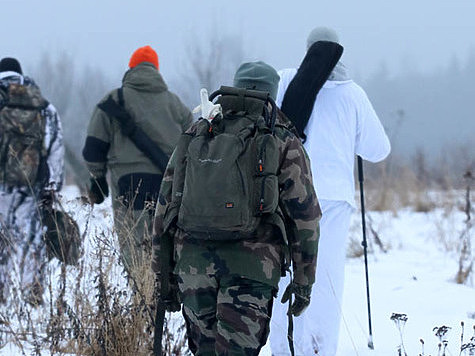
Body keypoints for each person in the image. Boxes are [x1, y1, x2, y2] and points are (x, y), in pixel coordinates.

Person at [152, 61, 321, 355]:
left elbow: (165, 207)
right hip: (253, 269)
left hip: (193, 266)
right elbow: (305, 217)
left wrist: (163, 277)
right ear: (273, 92)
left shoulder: (199, 132)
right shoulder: (281, 137)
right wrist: (304, 282)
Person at [269, 27, 391, 355]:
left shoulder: (285, 80)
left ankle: (284, 348)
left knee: (284, 275)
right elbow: (378, 149)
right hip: (334, 201)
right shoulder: (353, 94)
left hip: (286, 195)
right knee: (325, 281)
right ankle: (321, 350)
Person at [82, 45, 193, 277]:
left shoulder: (114, 100)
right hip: (168, 186)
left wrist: (97, 178)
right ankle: (161, 298)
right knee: (164, 246)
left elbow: (93, 147)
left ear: (131, 69)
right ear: (156, 70)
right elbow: (192, 146)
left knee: (134, 249)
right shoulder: (175, 104)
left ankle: (142, 300)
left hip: (129, 185)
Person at [0, 57, 64, 306]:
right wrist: (52, 186)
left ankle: (2, 298)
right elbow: (55, 145)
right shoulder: (42, 105)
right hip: (31, 184)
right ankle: (32, 296)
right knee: (31, 240)